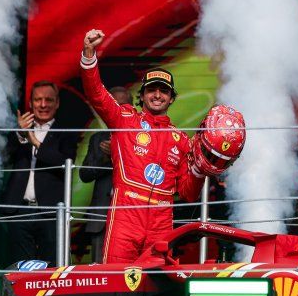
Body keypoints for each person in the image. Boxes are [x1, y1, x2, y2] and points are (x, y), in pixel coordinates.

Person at [80, 29, 206, 263]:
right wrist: (89, 54)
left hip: (161, 223)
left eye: (164, 91)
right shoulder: (124, 120)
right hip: (125, 218)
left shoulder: (181, 140)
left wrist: (201, 168)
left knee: (157, 289)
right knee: (116, 285)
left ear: (171, 97)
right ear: (143, 94)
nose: (157, 95)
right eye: (152, 89)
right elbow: (97, 94)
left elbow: (189, 193)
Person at [0, 80, 79, 264]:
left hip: (50, 211)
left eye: (48, 100)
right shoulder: (20, 130)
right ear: (31, 103)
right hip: (19, 209)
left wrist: (33, 140)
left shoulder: (67, 130)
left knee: (51, 268)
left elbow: (63, 162)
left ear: (57, 103)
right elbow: (3, 157)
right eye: (38, 100)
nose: (43, 105)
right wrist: (21, 134)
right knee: (18, 267)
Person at [79, 86, 132, 263]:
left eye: (122, 105)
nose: (116, 109)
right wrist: (106, 159)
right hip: (101, 217)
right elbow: (84, 174)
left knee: (130, 272)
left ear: (131, 109)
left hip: (130, 218)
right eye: (113, 104)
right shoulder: (97, 138)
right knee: (98, 272)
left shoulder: (139, 137)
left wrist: (117, 152)